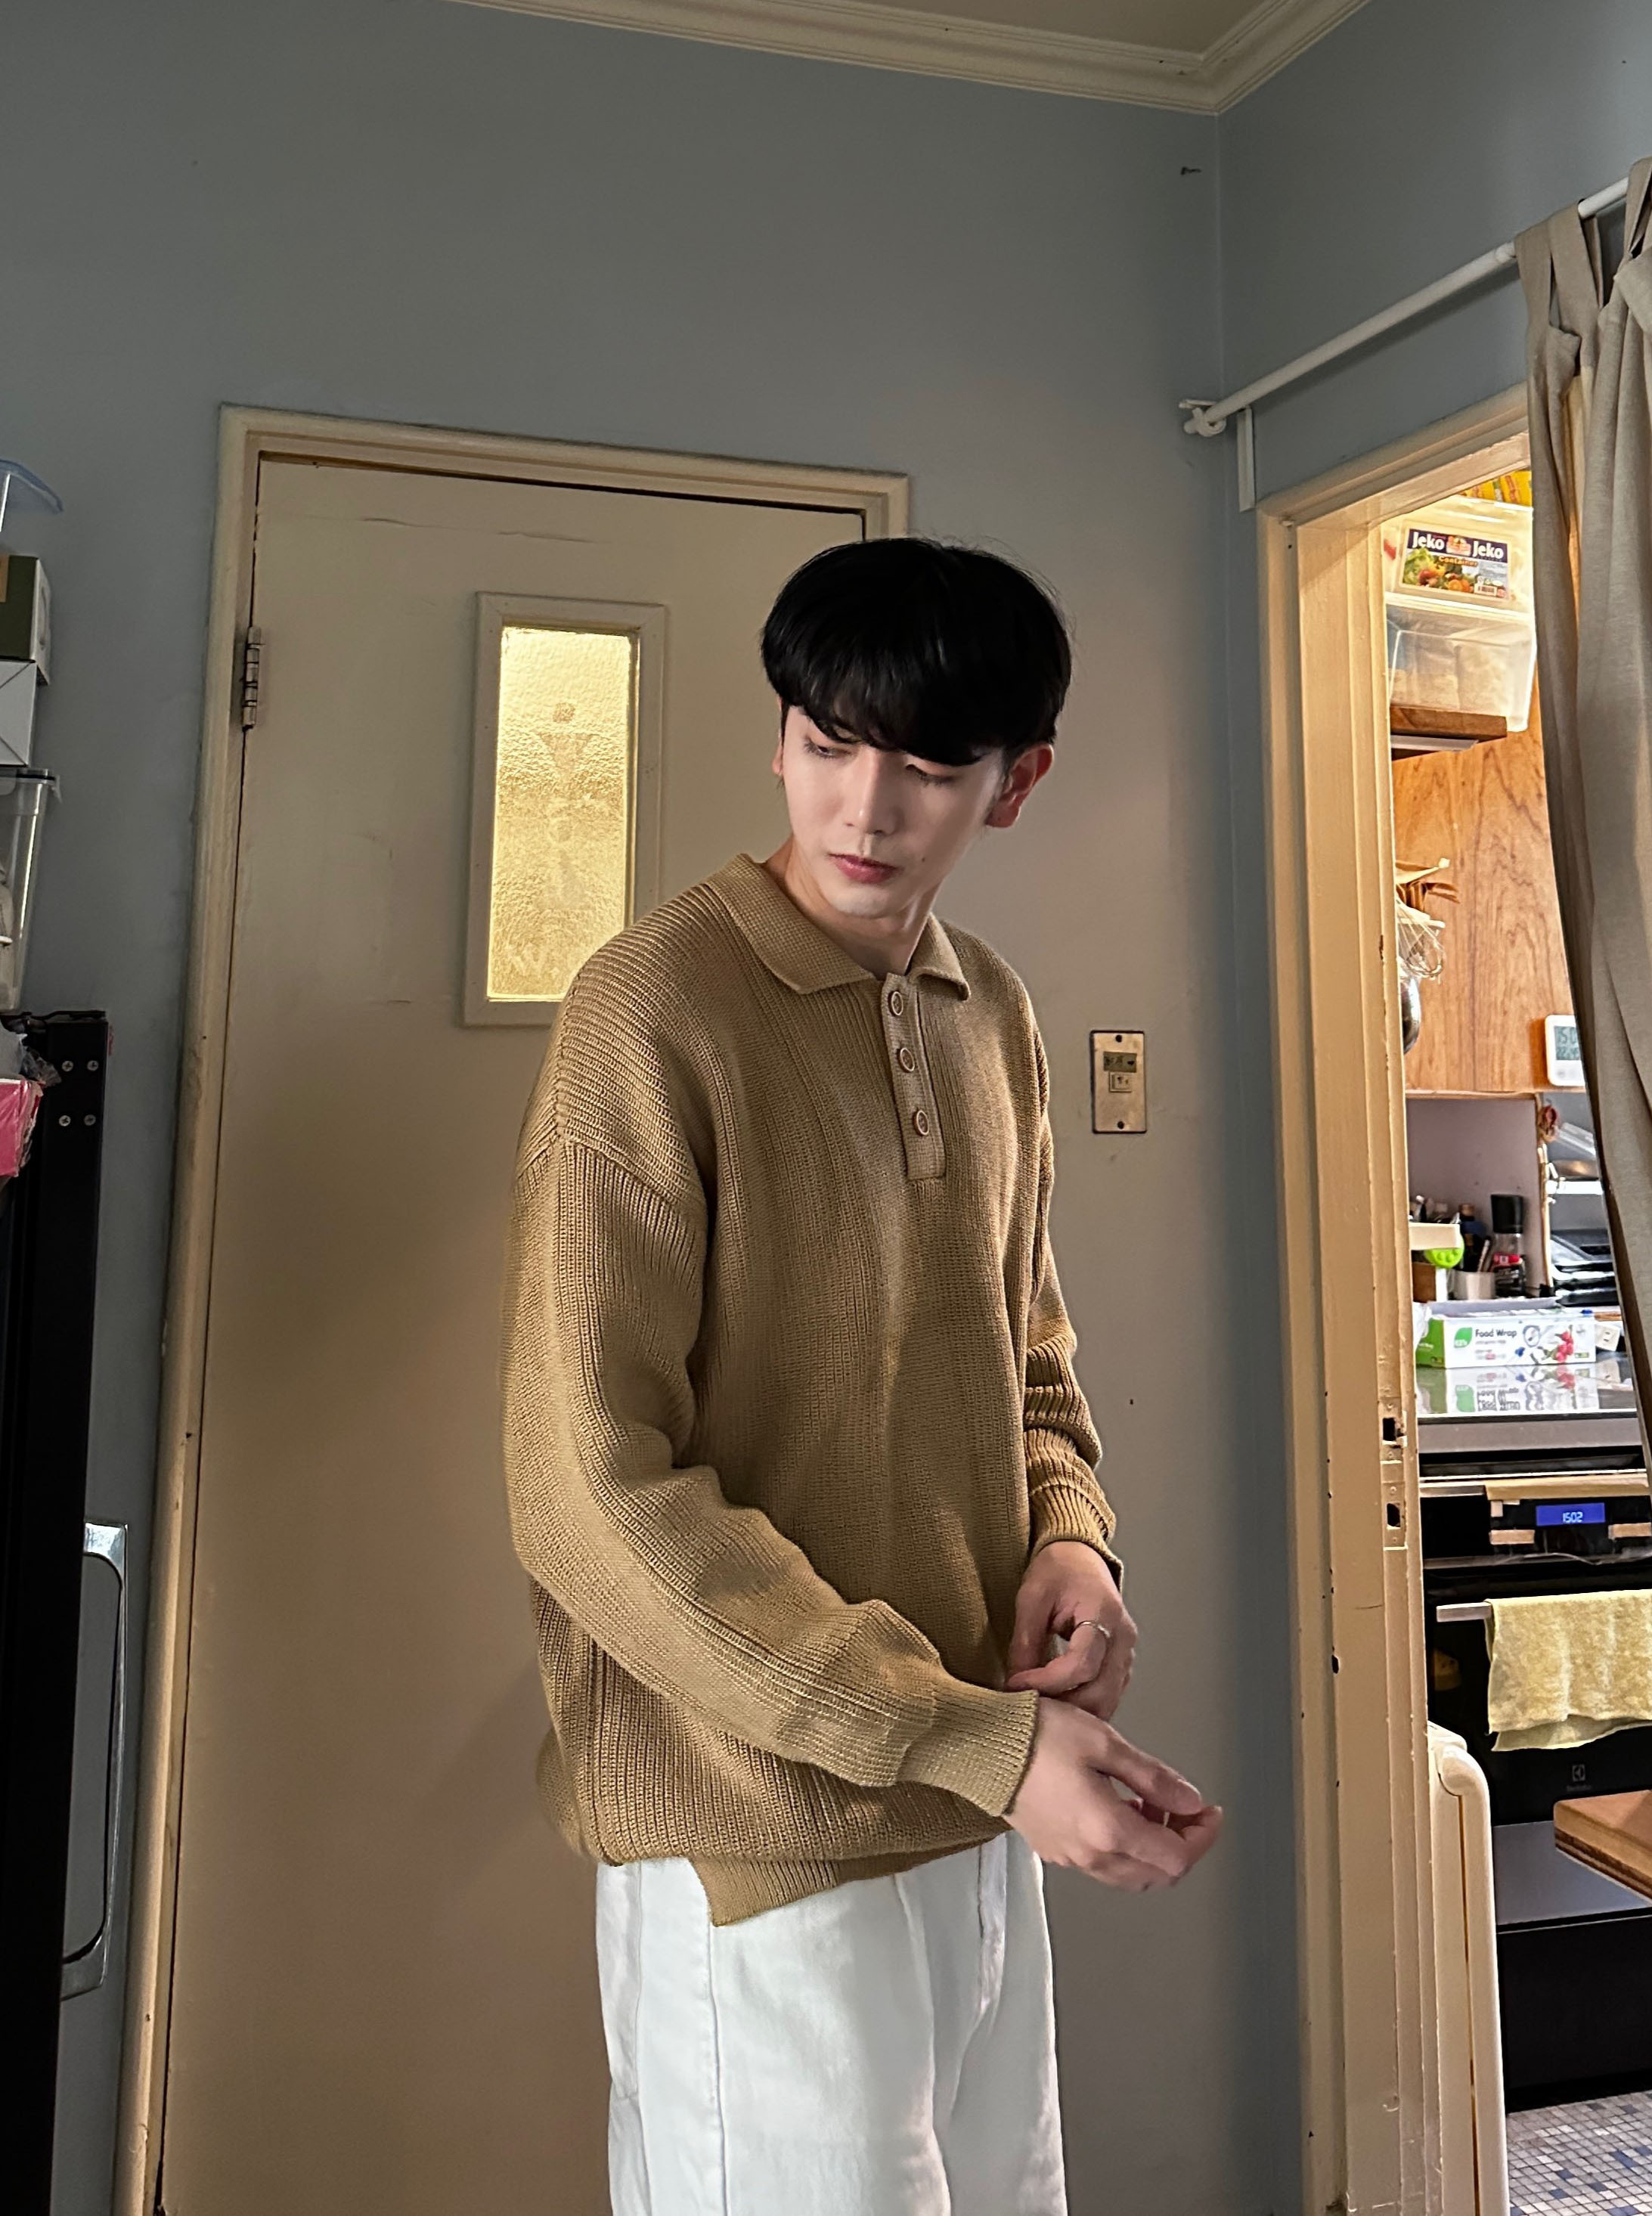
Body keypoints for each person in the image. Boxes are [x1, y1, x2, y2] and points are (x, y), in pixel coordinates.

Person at [502, 538, 1222, 2216]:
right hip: (758, 1843)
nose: (865, 805)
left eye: (926, 766)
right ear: (780, 735)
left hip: (976, 1810)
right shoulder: (648, 1014)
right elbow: (589, 1488)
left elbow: (1027, 1356)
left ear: (1016, 782)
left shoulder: (994, 1015)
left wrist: (1074, 1541)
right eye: (827, 742)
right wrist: (976, 1743)